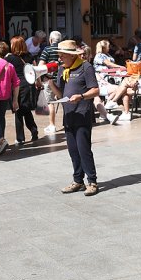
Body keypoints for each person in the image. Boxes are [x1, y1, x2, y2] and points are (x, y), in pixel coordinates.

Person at [43, 40, 101, 196]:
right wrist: (49, 81)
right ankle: (78, 181)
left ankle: (92, 182)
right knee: (73, 151)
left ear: (71, 55)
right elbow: (61, 94)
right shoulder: (63, 69)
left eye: (62, 55)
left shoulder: (85, 67)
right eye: (59, 55)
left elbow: (95, 90)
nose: (60, 58)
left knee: (84, 150)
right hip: (69, 115)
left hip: (82, 114)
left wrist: (81, 96)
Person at [5, 36, 39, 145]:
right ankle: (33, 130)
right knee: (26, 109)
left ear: (14, 46)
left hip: (17, 87)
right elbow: (35, 70)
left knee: (18, 111)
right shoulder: (29, 56)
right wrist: (38, 82)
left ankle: (20, 138)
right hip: (29, 85)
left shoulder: (10, 58)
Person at [39, 31, 62, 134]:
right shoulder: (63, 49)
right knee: (65, 100)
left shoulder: (47, 50)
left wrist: (39, 79)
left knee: (50, 102)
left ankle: (52, 125)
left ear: (50, 40)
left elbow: (41, 66)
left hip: (49, 79)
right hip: (62, 79)